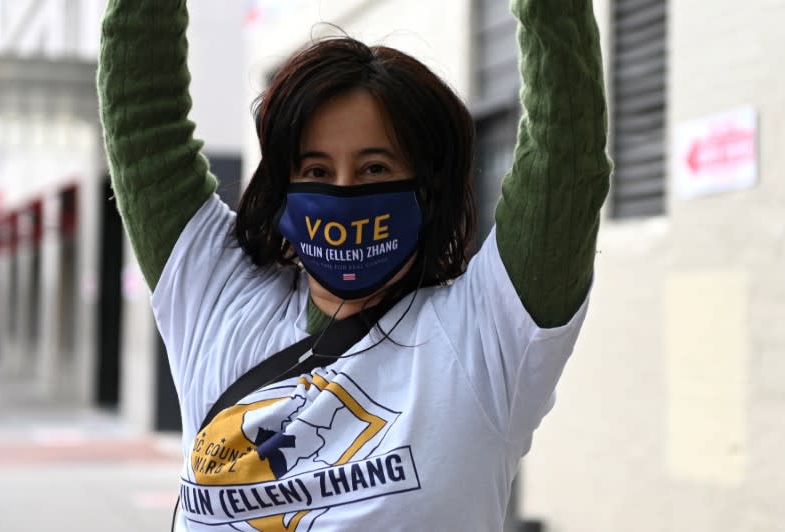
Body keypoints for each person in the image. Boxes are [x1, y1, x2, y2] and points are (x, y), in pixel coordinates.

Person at [97, 0, 611, 530]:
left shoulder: (486, 335)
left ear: (427, 189)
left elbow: (565, 153)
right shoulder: (219, 301)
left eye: (374, 168)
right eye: (316, 169)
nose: (343, 191)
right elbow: (141, 115)